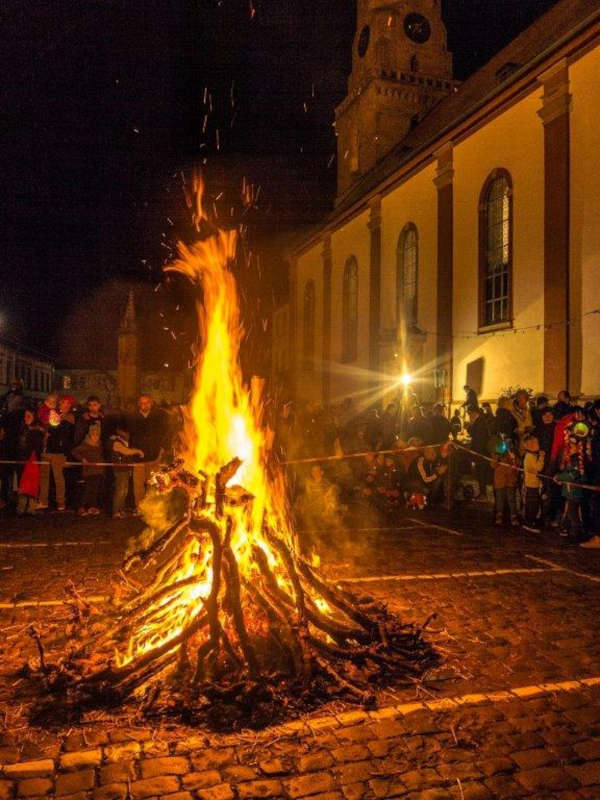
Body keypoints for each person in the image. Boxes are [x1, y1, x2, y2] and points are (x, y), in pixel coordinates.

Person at [129, 394, 167, 512]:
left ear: (151, 403)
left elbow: (164, 434)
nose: (144, 405)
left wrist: (162, 448)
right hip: (138, 457)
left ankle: (151, 507)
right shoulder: (133, 418)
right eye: (142, 403)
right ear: (138, 404)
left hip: (154, 455)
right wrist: (133, 451)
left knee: (153, 484)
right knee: (138, 485)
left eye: (146, 403)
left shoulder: (158, 417)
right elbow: (130, 436)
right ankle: (140, 507)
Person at [38, 394, 75, 512]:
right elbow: (45, 423)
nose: (67, 405)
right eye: (65, 403)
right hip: (46, 449)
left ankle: (61, 502)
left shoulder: (69, 417)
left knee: (58, 478)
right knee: (44, 478)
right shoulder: (53, 413)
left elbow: (66, 434)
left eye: (69, 404)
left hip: (58, 452)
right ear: (60, 403)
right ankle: (43, 501)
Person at [109, 423, 144, 518]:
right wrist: (138, 451)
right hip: (120, 469)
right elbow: (125, 451)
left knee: (124, 490)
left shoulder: (124, 441)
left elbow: (128, 450)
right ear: (120, 432)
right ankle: (116, 511)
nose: (127, 434)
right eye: (125, 432)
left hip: (125, 469)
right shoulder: (116, 442)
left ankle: (121, 510)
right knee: (120, 490)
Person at [15, 409, 45, 515]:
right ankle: (21, 507)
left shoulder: (37, 431)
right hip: (22, 460)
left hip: (32, 460)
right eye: (25, 416)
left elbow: (37, 447)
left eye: (28, 416)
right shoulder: (23, 429)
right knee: (22, 484)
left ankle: (30, 507)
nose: (25, 418)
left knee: (31, 484)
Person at [71, 427, 104, 515]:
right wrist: (82, 459)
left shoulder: (99, 445)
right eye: (93, 435)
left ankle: (92, 507)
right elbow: (74, 452)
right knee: (87, 490)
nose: (95, 437)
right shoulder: (85, 444)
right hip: (88, 471)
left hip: (98, 471)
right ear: (90, 435)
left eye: (97, 435)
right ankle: (81, 507)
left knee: (95, 490)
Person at [554, 454, 586, 542]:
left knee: (573, 513)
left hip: (574, 495)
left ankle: (576, 532)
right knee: (568, 512)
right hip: (570, 494)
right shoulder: (571, 468)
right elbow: (566, 475)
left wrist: (559, 477)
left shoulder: (576, 469)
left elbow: (570, 476)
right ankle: (567, 529)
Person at [491, 438, 519, 527]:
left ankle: (513, 517)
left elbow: (517, 465)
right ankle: (499, 516)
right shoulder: (496, 453)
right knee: (499, 500)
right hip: (500, 481)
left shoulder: (513, 454)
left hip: (510, 481)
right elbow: (493, 465)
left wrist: (513, 458)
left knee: (511, 500)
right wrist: (497, 457)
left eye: (509, 443)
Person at [522, 434, 545, 532]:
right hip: (532, 484)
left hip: (532, 483)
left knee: (532, 503)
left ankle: (530, 521)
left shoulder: (531, 455)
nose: (538, 444)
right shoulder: (530, 456)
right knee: (532, 504)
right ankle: (529, 523)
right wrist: (541, 457)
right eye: (536, 443)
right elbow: (538, 468)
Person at [468, 406, 491, 498]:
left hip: (480, 452)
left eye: (469, 414)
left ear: (474, 413)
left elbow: (478, 438)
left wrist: (476, 452)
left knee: (481, 473)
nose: (469, 416)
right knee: (480, 473)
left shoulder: (479, 422)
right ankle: (482, 492)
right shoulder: (479, 422)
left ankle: (483, 493)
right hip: (480, 451)